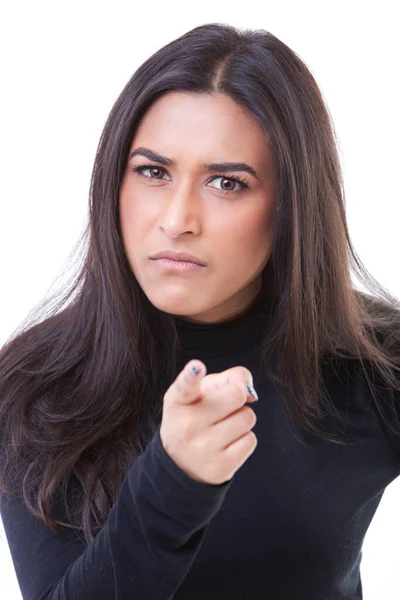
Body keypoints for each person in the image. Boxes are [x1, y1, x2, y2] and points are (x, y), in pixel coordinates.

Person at [0, 22, 400, 600]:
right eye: (154, 172)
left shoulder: (375, 363)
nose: (177, 219)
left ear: (292, 203)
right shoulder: (38, 384)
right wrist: (174, 480)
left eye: (226, 182)